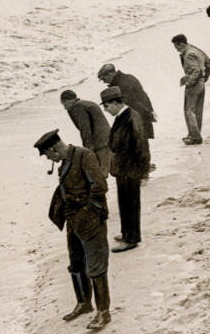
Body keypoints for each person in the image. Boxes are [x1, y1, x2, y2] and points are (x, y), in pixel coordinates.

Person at [33, 129, 111, 329]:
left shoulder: (85, 155)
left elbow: (99, 186)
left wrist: (89, 213)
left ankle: (103, 312)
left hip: (90, 221)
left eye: (48, 155)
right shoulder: (64, 162)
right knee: (76, 264)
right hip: (73, 221)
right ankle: (84, 303)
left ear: (54, 148)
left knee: (96, 266)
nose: (49, 158)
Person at [101, 86, 150, 251]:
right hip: (124, 169)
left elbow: (141, 146)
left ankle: (131, 239)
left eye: (106, 106)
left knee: (130, 204)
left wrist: (140, 170)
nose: (106, 111)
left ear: (115, 103)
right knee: (125, 203)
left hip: (130, 169)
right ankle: (127, 233)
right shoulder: (124, 116)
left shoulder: (130, 117)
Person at [60, 90, 112, 178]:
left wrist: (87, 150)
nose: (64, 107)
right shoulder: (85, 103)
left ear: (66, 101)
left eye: (63, 104)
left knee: (99, 174)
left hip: (100, 143)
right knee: (103, 171)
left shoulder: (78, 107)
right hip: (106, 139)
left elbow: (85, 130)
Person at [171, 34, 210, 145]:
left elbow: (196, 70)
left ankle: (195, 136)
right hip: (201, 83)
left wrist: (189, 82)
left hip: (194, 84)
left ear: (182, 43)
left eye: (177, 47)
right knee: (197, 110)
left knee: (189, 111)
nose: (177, 49)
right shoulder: (196, 50)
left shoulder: (188, 54)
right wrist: (205, 77)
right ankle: (195, 134)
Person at [97, 64, 156, 140]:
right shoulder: (129, 77)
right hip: (143, 116)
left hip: (138, 120)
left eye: (103, 79)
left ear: (109, 75)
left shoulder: (121, 86)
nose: (104, 82)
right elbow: (143, 96)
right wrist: (150, 111)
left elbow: (132, 104)